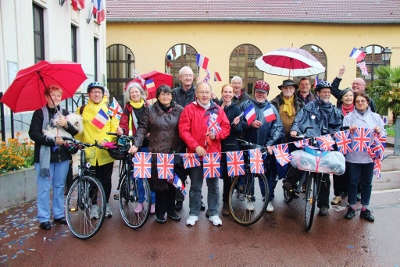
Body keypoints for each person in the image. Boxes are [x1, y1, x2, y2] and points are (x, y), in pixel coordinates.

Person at [284, 80, 343, 216]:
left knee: (325, 175)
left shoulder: (334, 110)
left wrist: (334, 136)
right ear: (318, 93)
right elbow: (299, 120)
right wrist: (295, 130)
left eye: (328, 92)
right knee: (300, 161)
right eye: (324, 92)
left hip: (326, 145)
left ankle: (323, 205)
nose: (327, 94)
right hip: (309, 142)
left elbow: (338, 126)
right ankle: (289, 181)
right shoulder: (309, 107)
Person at [129, 85, 185, 224]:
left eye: (168, 94)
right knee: (160, 184)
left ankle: (171, 211)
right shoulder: (150, 110)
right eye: (162, 94)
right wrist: (136, 144)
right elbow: (142, 128)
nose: (165, 97)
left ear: (172, 96)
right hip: (157, 151)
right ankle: (161, 213)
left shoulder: (180, 109)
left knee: (173, 183)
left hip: (174, 151)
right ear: (158, 96)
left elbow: (185, 128)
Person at [179, 82, 230, 226]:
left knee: (213, 186)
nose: (204, 95)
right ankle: (193, 213)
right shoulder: (189, 109)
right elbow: (183, 131)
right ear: (196, 94)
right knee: (195, 186)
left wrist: (217, 135)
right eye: (202, 92)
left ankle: (213, 213)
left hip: (213, 154)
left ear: (211, 94)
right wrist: (195, 147)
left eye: (207, 92)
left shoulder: (218, 110)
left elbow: (226, 128)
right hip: (195, 154)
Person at [29, 85, 79, 230]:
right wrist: (52, 141)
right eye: (53, 95)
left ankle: (58, 214)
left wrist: (67, 125)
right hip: (45, 157)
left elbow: (74, 132)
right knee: (44, 188)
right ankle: (44, 218)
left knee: (59, 186)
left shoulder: (64, 113)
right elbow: (34, 134)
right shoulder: (39, 113)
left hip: (61, 157)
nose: (56, 98)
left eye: (58, 95)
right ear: (46, 97)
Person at [239, 80, 284, 212]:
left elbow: (277, 128)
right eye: (258, 91)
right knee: (249, 174)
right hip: (249, 146)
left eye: (263, 92)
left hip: (265, 148)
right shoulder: (247, 106)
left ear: (267, 94)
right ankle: (249, 198)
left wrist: (270, 144)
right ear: (254, 92)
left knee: (266, 175)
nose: (260, 94)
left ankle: (267, 199)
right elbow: (238, 124)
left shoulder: (270, 108)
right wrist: (249, 125)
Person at [75, 82, 118, 219]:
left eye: (99, 92)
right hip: (90, 151)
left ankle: (105, 204)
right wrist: (79, 142)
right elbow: (78, 130)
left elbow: (114, 128)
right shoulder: (81, 110)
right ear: (89, 94)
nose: (97, 94)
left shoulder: (109, 109)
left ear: (103, 94)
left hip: (105, 151)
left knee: (106, 180)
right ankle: (93, 205)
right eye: (94, 92)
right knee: (92, 180)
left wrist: (109, 141)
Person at [343, 92, 385, 222]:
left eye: (363, 101)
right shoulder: (349, 117)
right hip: (353, 155)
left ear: (367, 102)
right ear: (354, 103)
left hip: (369, 155)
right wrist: (349, 131)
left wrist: (379, 131)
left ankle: (365, 208)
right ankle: (352, 207)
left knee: (367, 183)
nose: (360, 103)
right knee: (352, 182)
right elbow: (343, 136)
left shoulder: (376, 117)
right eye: (358, 101)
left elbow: (383, 134)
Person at [116, 81, 156, 213]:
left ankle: (153, 202)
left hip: (148, 145)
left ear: (141, 93)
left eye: (136, 91)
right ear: (129, 94)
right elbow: (124, 123)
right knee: (139, 176)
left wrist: (152, 131)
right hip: (135, 146)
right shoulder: (127, 109)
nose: (134, 94)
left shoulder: (148, 106)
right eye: (131, 92)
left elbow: (154, 122)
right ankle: (140, 201)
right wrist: (121, 130)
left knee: (151, 176)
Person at [172, 66, 204, 212]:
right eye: (185, 75)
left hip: (195, 138)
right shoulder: (173, 93)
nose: (188, 78)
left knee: (196, 172)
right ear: (180, 77)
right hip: (178, 138)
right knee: (179, 171)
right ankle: (179, 198)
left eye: (190, 75)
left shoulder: (198, 92)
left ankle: (199, 199)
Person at [219, 84, 242, 216]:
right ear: (222, 93)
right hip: (217, 145)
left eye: (230, 92)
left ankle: (226, 202)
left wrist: (238, 125)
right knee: (214, 174)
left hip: (231, 146)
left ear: (233, 94)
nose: (227, 94)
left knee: (229, 176)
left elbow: (239, 131)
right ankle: (213, 203)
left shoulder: (236, 109)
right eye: (225, 92)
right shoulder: (217, 107)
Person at [331, 87, 354, 205]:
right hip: (339, 143)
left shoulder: (358, 110)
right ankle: (338, 194)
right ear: (341, 99)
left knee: (352, 169)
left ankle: (350, 192)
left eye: (351, 95)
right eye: (346, 96)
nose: (349, 98)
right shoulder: (336, 111)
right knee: (339, 168)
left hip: (354, 145)